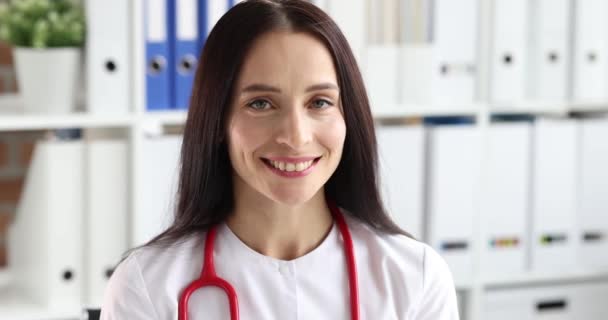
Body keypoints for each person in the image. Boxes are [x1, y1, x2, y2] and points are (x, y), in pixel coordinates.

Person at [100, 0, 459, 319]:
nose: (296, 135)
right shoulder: (148, 286)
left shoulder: (416, 279)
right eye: (260, 104)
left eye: (319, 102)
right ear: (218, 120)